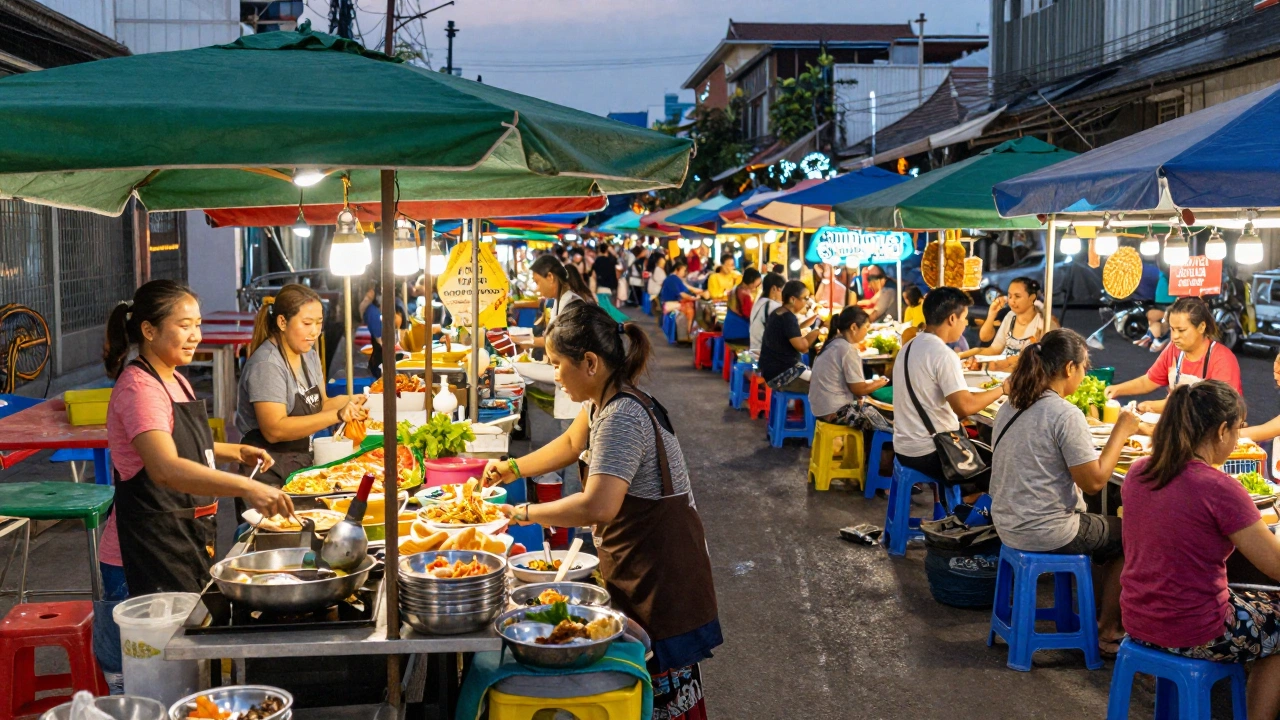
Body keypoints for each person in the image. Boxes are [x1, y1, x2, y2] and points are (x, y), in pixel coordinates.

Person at [482, 303, 721, 714]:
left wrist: (520, 513)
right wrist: (512, 468)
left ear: (589, 362)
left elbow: (598, 505)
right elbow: (573, 444)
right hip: (643, 564)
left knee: (667, 697)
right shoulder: (603, 401)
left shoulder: (622, 415)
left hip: (661, 576)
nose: (554, 374)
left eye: (557, 364)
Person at [102, 280, 291, 597]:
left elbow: (176, 440)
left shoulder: (173, 376)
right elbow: (165, 467)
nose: (196, 336)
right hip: (143, 552)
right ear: (149, 331)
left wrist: (236, 452)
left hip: (182, 538)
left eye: (198, 325)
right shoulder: (140, 388)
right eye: (184, 326)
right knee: (155, 647)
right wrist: (249, 486)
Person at [1120, 381, 1280, 719]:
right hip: (1193, 629)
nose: (1237, 440)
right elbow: (1276, 565)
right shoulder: (1219, 488)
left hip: (1138, 618)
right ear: (1222, 430)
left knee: (1254, 600)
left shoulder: (1139, 471)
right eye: (1237, 431)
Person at [989, 329, 1139, 654]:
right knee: (1131, 536)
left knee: (1104, 531)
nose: (1085, 376)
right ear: (1070, 368)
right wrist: (1122, 432)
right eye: (1084, 368)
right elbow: (1094, 482)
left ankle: (1093, 613)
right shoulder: (1064, 413)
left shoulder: (1012, 404)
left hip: (1006, 522)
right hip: (1045, 530)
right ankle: (1107, 630)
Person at [237, 284, 369, 487]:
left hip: (298, 464)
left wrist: (357, 401)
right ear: (282, 322)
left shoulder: (309, 355)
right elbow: (274, 430)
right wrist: (337, 415)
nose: (315, 332)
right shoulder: (267, 365)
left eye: (319, 323)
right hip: (267, 474)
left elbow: (321, 403)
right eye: (307, 323)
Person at [892, 287, 1006, 483]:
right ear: (952, 319)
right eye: (964, 318)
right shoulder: (943, 354)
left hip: (904, 447)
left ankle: (964, 505)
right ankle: (968, 510)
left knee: (989, 456)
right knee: (1006, 470)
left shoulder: (909, 346)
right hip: (931, 452)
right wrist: (1003, 389)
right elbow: (965, 406)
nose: (965, 324)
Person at [1105, 297, 1242, 412]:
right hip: (1176, 421)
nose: (1175, 336)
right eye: (1172, 329)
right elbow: (1148, 381)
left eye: (1181, 330)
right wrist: (1117, 389)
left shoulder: (1222, 359)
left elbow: (1216, 406)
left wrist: (1154, 406)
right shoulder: (1174, 349)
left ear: (1201, 327)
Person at [809, 307, 889, 424]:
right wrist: (882, 382)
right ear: (854, 328)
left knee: (870, 406)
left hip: (821, 409)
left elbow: (853, 385)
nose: (867, 331)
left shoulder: (833, 343)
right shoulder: (847, 349)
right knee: (884, 421)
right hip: (835, 412)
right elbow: (859, 390)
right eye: (866, 327)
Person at [963, 277, 1053, 372]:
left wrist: (997, 367)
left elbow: (1034, 362)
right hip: (1002, 373)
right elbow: (993, 348)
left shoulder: (1042, 323)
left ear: (1032, 298)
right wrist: (962, 355)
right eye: (1010, 296)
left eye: (1017, 296)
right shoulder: (1010, 316)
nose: (1012, 301)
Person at [517, 254, 594, 351]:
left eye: (537, 282)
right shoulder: (559, 301)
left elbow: (562, 342)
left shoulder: (572, 305)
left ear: (550, 277)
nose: (537, 288)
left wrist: (526, 341)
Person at [758, 280, 823, 392]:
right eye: (805, 298)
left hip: (771, 369)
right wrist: (818, 331)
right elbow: (803, 347)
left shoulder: (779, 312)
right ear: (793, 299)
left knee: (820, 378)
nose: (807, 302)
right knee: (826, 386)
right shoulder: (788, 318)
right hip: (781, 375)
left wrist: (814, 320)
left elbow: (792, 330)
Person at [360, 283, 409, 380]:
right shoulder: (373, 312)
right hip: (381, 363)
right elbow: (381, 341)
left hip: (382, 359)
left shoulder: (375, 310)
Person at [749, 272, 785, 355]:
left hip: (754, 349)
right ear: (774, 289)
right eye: (782, 290)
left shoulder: (759, 302)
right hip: (765, 353)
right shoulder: (773, 306)